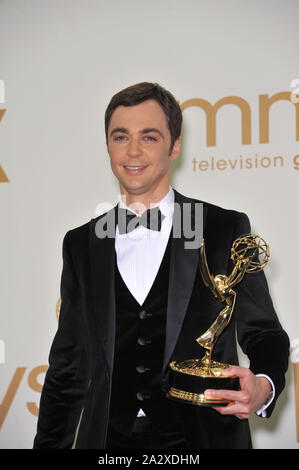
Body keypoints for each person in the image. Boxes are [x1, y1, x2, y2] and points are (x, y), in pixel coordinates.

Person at [33, 82, 289, 449]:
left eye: (149, 137)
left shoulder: (221, 228)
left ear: (175, 146)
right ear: (107, 144)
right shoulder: (81, 243)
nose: (133, 150)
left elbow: (264, 333)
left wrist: (263, 383)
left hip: (203, 439)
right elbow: (68, 367)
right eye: (120, 136)